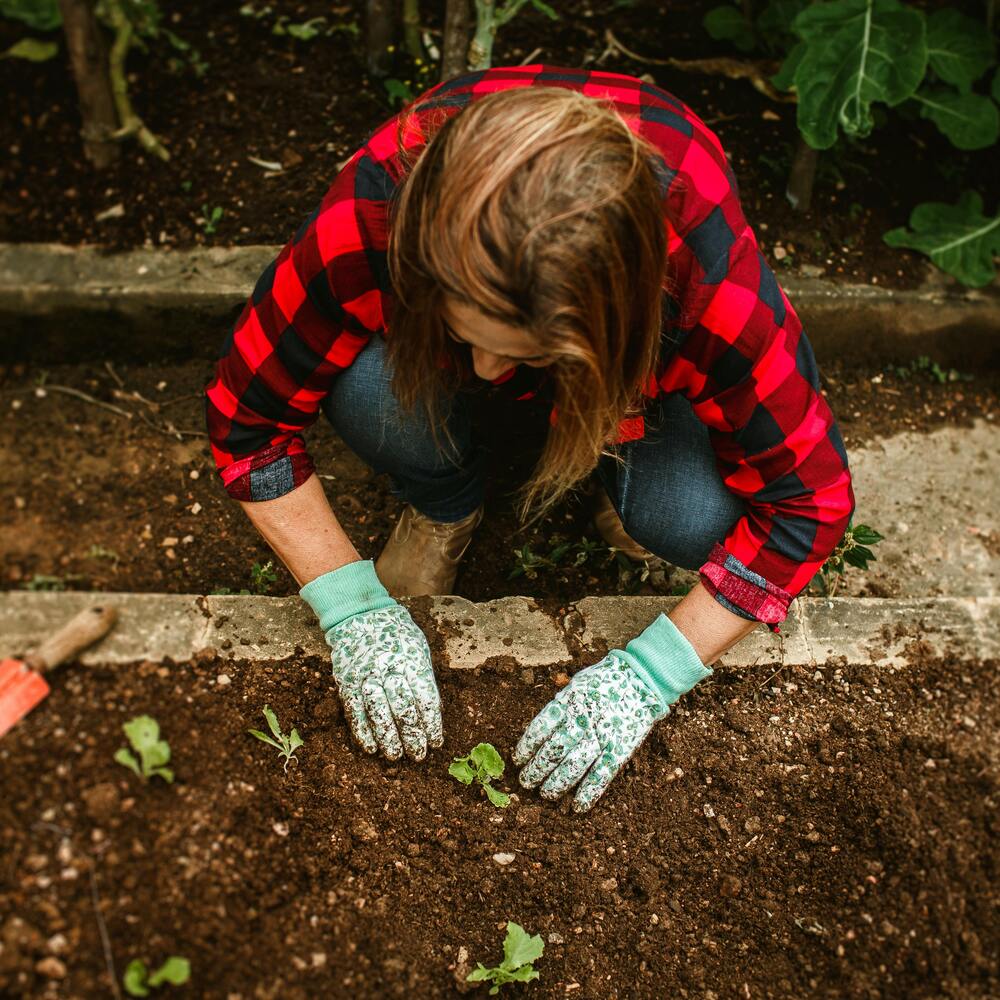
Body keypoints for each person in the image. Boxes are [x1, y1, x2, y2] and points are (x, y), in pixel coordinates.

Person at [205, 64, 855, 812]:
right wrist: (350, 604)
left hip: (627, 376)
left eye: (521, 352)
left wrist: (654, 672)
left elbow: (808, 503)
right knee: (367, 382)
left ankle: (618, 476)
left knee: (692, 518)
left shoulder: (702, 283)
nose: (482, 371)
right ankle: (444, 502)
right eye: (469, 335)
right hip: (514, 336)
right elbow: (247, 422)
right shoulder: (372, 217)